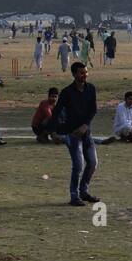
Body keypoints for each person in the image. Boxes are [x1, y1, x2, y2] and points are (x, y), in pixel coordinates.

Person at [55, 61, 101, 207]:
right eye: (81, 73)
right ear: (74, 75)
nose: (85, 75)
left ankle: (83, 191)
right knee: (78, 165)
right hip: (72, 134)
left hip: (86, 133)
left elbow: (93, 110)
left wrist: (85, 125)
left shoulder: (91, 89)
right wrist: (53, 132)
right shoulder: (66, 92)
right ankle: (74, 196)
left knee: (93, 163)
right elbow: (56, 113)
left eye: (86, 72)